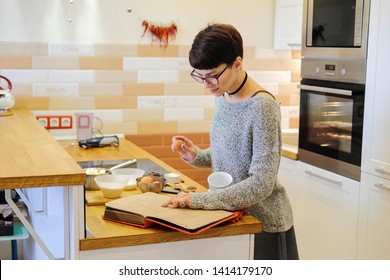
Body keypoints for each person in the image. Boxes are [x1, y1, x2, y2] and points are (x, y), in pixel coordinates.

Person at [162, 23, 299, 260]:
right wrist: (197, 155)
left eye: (212, 76)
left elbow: (260, 184)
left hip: (262, 223)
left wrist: (201, 200)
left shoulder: (263, 107)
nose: (206, 85)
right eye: (200, 76)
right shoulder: (223, 96)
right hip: (231, 215)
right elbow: (230, 153)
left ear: (237, 63)